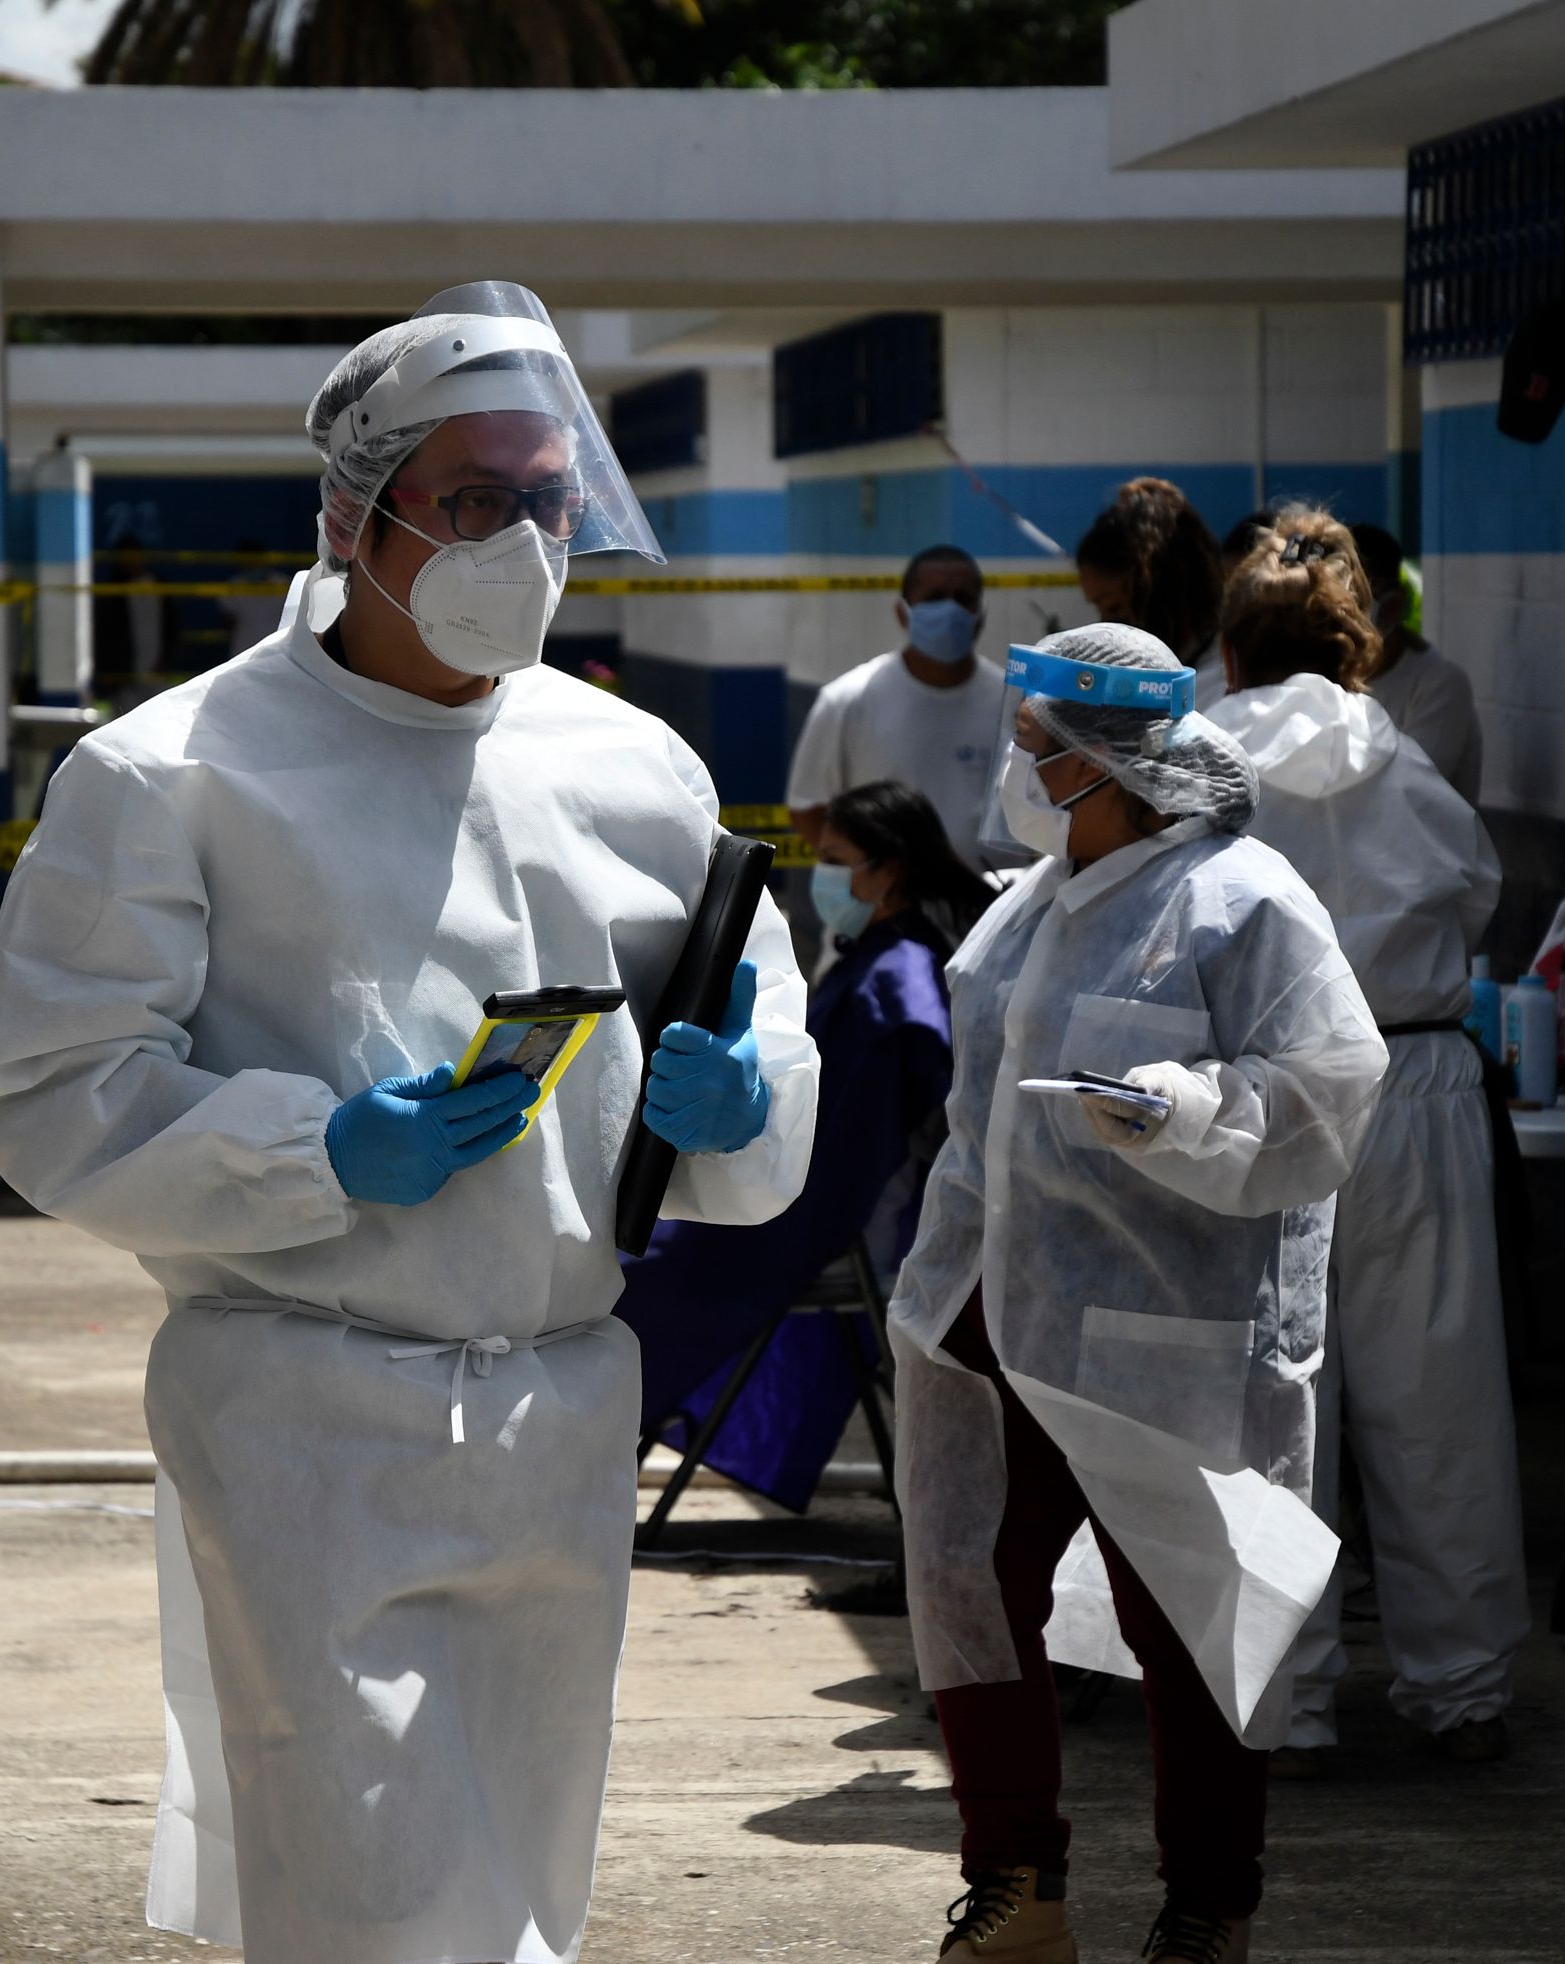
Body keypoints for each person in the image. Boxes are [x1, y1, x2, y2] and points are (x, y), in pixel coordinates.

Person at [0, 280, 820, 1964]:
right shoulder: (177, 771)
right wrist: (315, 1150)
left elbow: (753, 1017)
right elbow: (47, 1085)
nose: (526, 539)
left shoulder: (631, 763)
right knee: (369, 1883)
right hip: (310, 1406)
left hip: (564, 1398)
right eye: (476, 500)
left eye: (549, 499)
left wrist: (741, 1100)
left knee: (524, 1860)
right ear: (354, 516)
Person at [894, 623, 1386, 1964]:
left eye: (1036, 739)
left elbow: (1335, 1088)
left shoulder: (1245, 901)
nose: (1017, 757)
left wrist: (1185, 1106)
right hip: (991, 1321)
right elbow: (974, 1121)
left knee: (1194, 1620)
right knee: (973, 1588)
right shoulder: (1024, 911)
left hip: (1164, 1333)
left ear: (1099, 756)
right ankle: (1015, 1889)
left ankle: (1209, 1905)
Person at [1206, 511, 1526, 1772]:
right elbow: (1478, 892)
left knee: (1271, 1410)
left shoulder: (1198, 763)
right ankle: (1465, 1687)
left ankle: (1291, 1696)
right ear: (1357, 655)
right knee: (1437, 1393)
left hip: (1264, 1095)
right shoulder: (1405, 756)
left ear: (1228, 654)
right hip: (1417, 1082)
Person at [618, 778, 994, 1506]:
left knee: (628, 1274)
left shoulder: (899, 985)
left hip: (810, 1209)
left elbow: (842, 1150)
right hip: (811, 1191)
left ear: (888, 870)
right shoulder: (886, 961)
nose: (823, 874)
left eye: (836, 858)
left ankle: (599, 1453)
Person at [787, 544, 1009, 870]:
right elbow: (808, 809)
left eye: (963, 598)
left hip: (992, 909)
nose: (950, 610)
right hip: (885, 912)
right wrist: (868, 878)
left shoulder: (1014, 704)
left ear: (981, 614)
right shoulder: (847, 700)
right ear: (903, 613)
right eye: (934, 598)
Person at [1346, 522, 1481, 804]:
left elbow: (1409, 794)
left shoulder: (1439, 685)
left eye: (1352, 604)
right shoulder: (1322, 683)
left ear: (1392, 607)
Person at [1074, 478, 1228, 710]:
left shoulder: (1222, 683)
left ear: (1164, 594)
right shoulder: (1145, 683)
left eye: (1115, 607)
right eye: (1100, 609)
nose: (1108, 627)